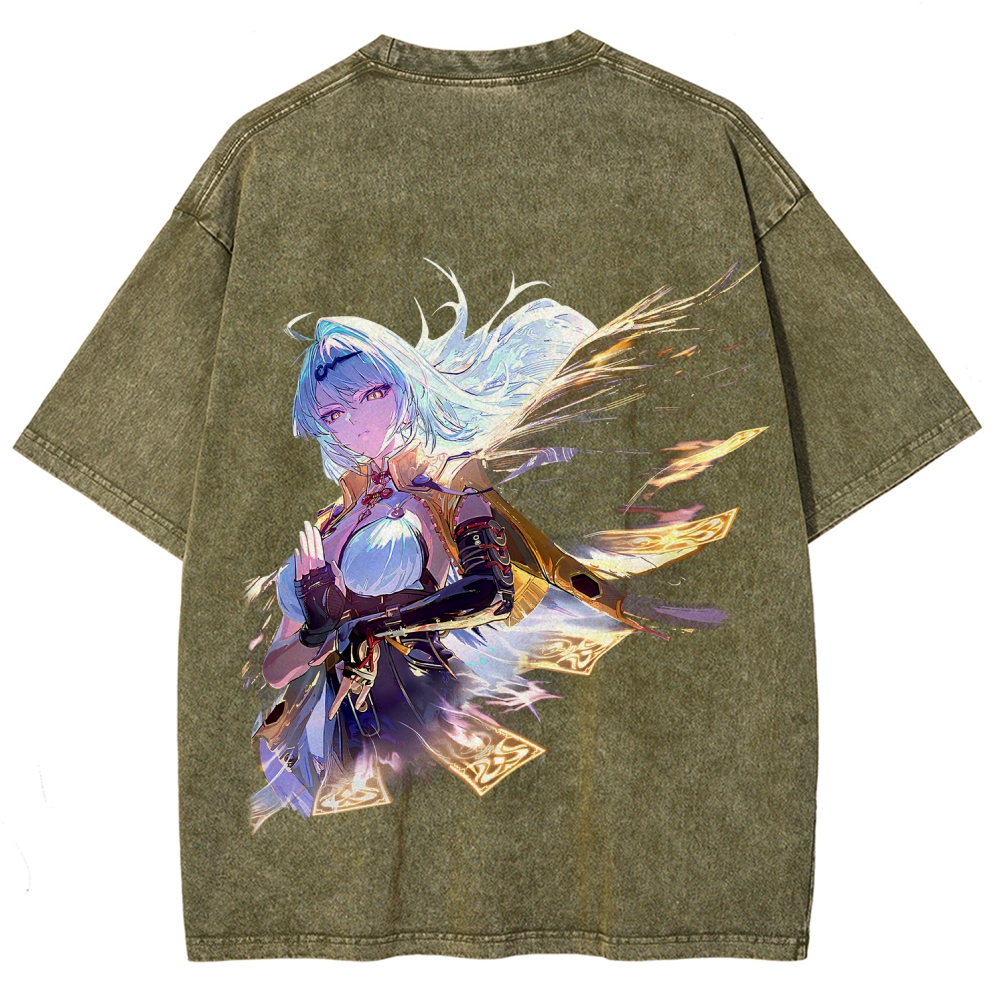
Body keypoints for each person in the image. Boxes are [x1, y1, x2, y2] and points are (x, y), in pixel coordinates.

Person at [244, 259, 766, 829]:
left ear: (405, 386)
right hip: (338, 727)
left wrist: (366, 621)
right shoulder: (328, 525)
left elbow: (489, 593)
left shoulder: (448, 485)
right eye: (334, 412)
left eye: (373, 393)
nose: (357, 423)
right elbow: (277, 669)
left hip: (421, 705)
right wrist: (319, 631)